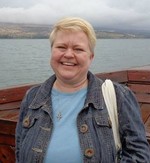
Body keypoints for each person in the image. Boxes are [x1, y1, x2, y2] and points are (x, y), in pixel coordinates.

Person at [15, 17, 150, 163]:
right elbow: (19, 150)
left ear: (91, 57)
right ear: (52, 51)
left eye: (78, 49)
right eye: (61, 47)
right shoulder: (32, 97)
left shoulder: (118, 96)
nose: (68, 54)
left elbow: (139, 156)